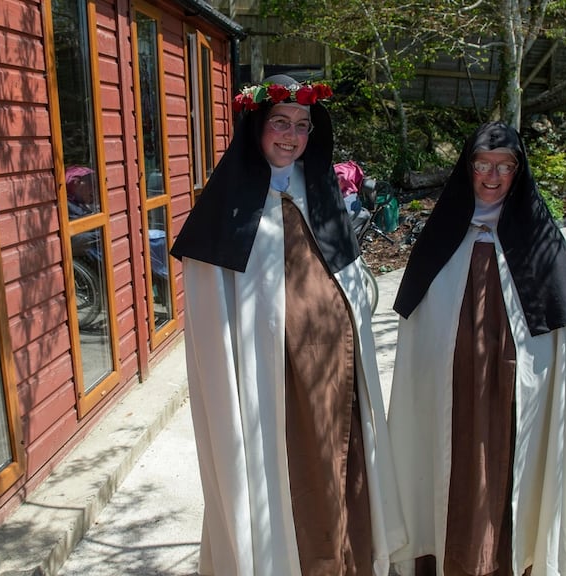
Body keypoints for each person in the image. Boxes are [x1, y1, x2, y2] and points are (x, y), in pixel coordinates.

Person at [170, 75, 405, 576]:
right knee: (282, 474)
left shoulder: (320, 196)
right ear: (257, 126)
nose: (291, 136)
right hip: (268, 385)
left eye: (302, 125)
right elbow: (214, 317)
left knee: (336, 467)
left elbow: (355, 284)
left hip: (332, 380)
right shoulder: (226, 210)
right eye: (281, 122)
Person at [387, 121, 566, 576]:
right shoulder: (440, 240)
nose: (491, 176)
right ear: (467, 169)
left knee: (503, 475)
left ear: (519, 173)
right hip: (450, 398)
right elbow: (417, 334)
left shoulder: (542, 249)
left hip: (511, 402)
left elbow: (562, 342)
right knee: (449, 467)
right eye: (482, 164)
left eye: (505, 166)